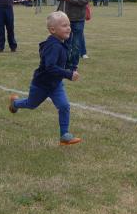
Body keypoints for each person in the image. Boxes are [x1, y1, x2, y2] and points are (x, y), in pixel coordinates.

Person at [8, 12, 82, 146]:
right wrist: (68, 74)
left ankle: (64, 135)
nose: (68, 28)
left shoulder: (61, 42)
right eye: (64, 26)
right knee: (31, 104)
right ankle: (15, 103)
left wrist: (72, 68)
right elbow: (50, 67)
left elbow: (65, 58)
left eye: (69, 25)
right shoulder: (52, 46)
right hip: (41, 85)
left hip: (56, 85)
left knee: (64, 106)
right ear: (53, 30)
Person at [55, 0, 92, 67]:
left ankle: (73, 66)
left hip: (78, 18)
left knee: (76, 45)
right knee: (66, 43)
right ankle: (64, 64)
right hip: (64, 18)